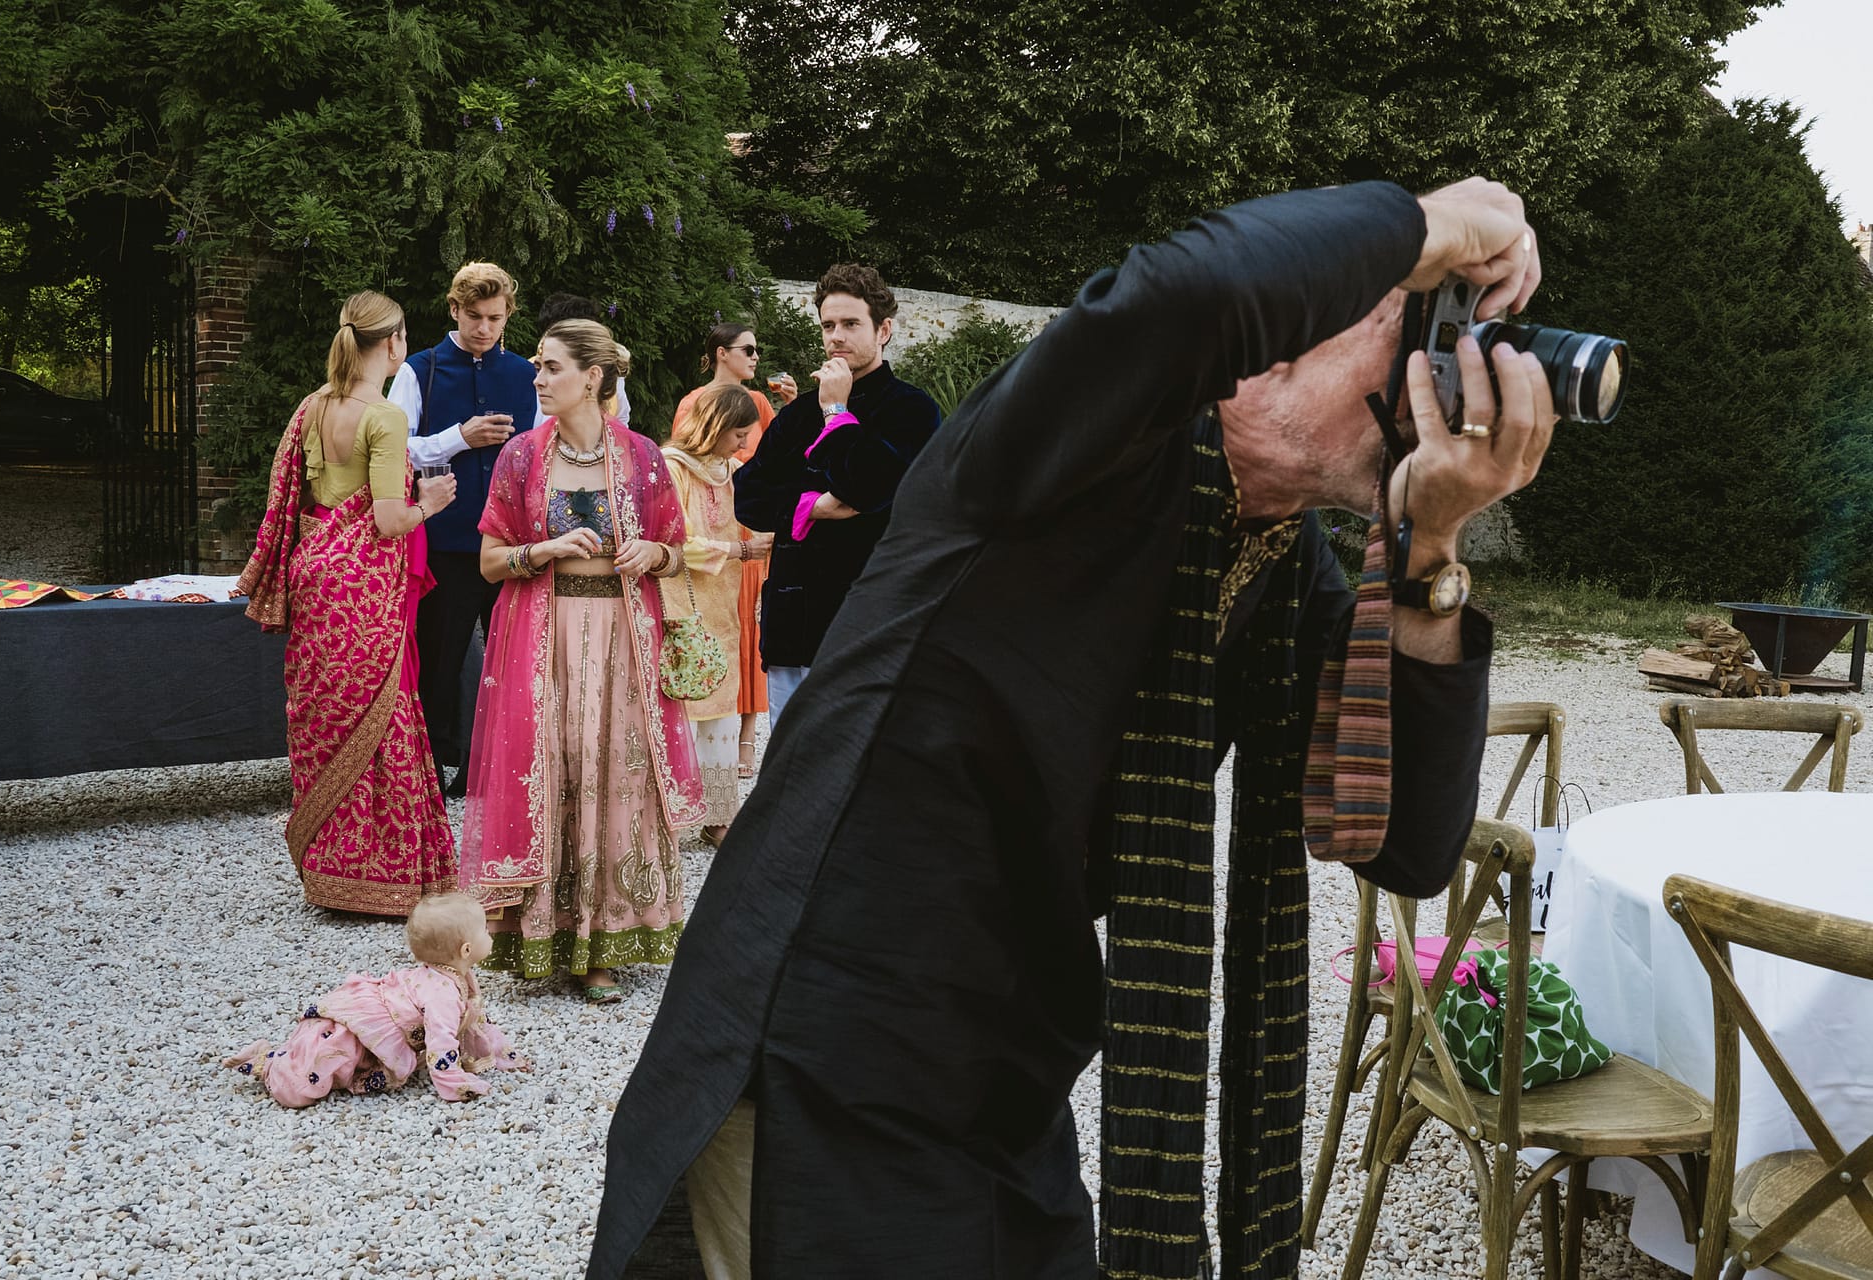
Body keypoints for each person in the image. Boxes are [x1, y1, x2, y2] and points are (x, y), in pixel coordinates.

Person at [588, 177, 1557, 1279]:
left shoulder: (1288, 565)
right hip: (832, 1017)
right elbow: (1182, 294)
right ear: (1262, 352)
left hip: (1009, 1055)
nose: (1429, 380)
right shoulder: (1064, 437)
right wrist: (1428, 223)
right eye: (1405, 334)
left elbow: (1403, 843)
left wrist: (1430, 549)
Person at [458, 319, 706, 1003]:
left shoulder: (644, 458)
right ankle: (543, 934)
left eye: (552, 368)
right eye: (538, 366)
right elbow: (487, 562)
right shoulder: (520, 458)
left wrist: (652, 555)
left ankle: (602, 944)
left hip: (624, 642)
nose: (538, 379)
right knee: (555, 772)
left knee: (614, 778)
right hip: (546, 637)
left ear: (593, 379)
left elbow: (678, 550)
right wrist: (544, 550)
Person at [239, 290, 459, 916]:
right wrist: (433, 501)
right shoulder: (382, 415)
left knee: (324, 716)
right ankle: (381, 876)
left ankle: (327, 872)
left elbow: (304, 496)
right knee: (381, 718)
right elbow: (389, 520)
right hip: (361, 587)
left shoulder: (313, 405)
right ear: (392, 345)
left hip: (315, 576)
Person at [732, 265, 941, 726]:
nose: (836, 337)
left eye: (850, 324)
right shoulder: (797, 414)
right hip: (793, 624)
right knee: (792, 778)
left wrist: (837, 413)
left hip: (869, 626)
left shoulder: (913, 410)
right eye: (828, 325)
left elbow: (870, 487)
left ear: (883, 330)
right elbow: (748, 497)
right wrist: (810, 505)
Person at [388, 262, 540, 798]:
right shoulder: (419, 369)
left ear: (508, 316)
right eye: (474, 316)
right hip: (446, 541)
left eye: (495, 318)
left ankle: (495, 769)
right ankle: (427, 771)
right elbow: (392, 447)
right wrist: (458, 436)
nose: (484, 328)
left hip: (513, 542)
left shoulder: (528, 375)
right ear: (454, 309)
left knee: (516, 658)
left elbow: (549, 452)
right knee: (439, 659)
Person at [222, 893, 528, 1106]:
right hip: (362, 1034)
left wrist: (502, 1057)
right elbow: (441, 1042)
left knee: (323, 1056)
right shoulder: (443, 994)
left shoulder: (455, 977)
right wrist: (455, 1084)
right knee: (307, 1084)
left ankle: (282, 1053)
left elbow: (476, 1023)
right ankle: (270, 1063)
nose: (490, 936)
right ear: (465, 950)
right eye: (485, 931)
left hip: (372, 1024)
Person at [671, 323, 797, 777]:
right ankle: (689, 782)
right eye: (748, 348)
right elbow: (675, 536)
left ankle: (735, 763)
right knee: (698, 660)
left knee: (741, 646)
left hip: (742, 545)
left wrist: (788, 407)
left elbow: (780, 458)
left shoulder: (756, 411)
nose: (746, 444)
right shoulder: (686, 429)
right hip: (707, 561)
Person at [663, 384, 771, 846]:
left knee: (722, 714)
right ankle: (666, 815)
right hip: (679, 603)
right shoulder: (672, 468)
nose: (745, 445)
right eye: (739, 434)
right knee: (678, 710)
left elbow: (758, 519)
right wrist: (740, 549)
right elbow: (673, 539)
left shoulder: (734, 472)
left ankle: (717, 815)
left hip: (725, 604)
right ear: (716, 426)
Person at [533, 292, 634, 426]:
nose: (538, 381)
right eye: (538, 369)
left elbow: (622, 420)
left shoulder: (612, 375)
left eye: (553, 369)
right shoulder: (527, 371)